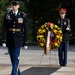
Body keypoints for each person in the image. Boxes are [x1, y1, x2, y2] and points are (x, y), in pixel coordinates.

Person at [2, 1, 28, 75]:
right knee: (12, 59)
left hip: (18, 39)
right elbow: (4, 28)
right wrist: (3, 40)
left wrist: (26, 41)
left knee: (16, 57)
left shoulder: (22, 15)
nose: (14, 6)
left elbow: (26, 29)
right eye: (13, 5)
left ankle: (13, 74)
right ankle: (18, 73)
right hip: (10, 38)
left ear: (18, 6)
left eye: (15, 5)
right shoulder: (8, 15)